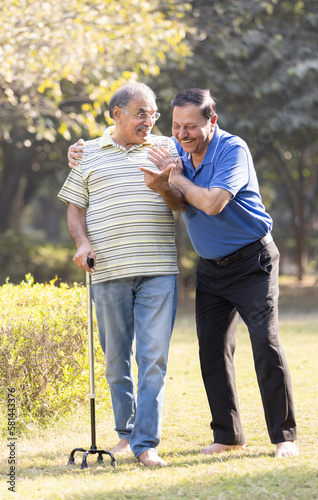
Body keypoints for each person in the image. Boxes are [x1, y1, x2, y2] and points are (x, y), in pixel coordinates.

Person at [67, 88, 299, 459]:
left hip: (252, 262)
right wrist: (78, 152)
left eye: (190, 126)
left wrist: (173, 179)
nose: (182, 133)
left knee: (264, 343)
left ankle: (284, 436)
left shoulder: (229, 150)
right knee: (211, 350)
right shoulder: (173, 150)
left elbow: (210, 203)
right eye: (176, 125)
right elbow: (173, 202)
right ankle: (228, 434)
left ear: (212, 121)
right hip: (211, 267)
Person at [58, 82, 185, 467]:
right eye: (141, 113)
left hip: (158, 270)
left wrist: (165, 185)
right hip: (108, 271)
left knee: (154, 358)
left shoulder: (168, 148)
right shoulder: (88, 152)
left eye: (153, 113)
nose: (150, 120)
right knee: (116, 359)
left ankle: (146, 443)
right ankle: (125, 435)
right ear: (117, 114)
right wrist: (81, 243)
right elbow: (74, 209)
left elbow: (180, 204)